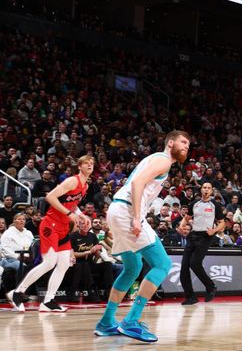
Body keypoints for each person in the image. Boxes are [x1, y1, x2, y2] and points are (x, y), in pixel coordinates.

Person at [94, 130, 190, 342]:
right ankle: (131, 321)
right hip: (128, 212)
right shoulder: (164, 160)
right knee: (162, 264)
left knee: (133, 268)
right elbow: (137, 184)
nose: (186, 146)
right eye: (183, 142)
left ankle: (107, 322)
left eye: (188, 145)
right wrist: (137, 217)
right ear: (171, 142)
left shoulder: (155, 159)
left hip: (117, 210)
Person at [7, 155, 93, 312]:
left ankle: (48, 301)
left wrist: (80, 215)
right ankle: (17, 293)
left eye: (92, 163)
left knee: (65, 263)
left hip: (63, 226)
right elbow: (50, 197)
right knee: (49, 262)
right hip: (50, 224)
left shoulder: (85, 186)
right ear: (79, 166)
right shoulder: (72, 181)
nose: (90, 165)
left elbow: (71, 204)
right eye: (86, 163)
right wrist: (69, 214)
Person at [177, 181, 225, 305]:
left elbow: (222, 223)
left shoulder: (215, 205)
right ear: (201, 190)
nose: (206, 190)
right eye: (204, 187)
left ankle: (210, 286)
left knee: (195, 263)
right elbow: (187, 218)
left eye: (209, 188)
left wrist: (214, 230)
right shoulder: (194, 203)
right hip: (193, 235)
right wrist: (182, 226)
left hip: (206, 236)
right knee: (184, 267)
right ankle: (190, 297)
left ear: (211, 191)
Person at [1, 213, 35, 292]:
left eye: (23, 219)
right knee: (22, 267)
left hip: (27, 258)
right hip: (10, 259)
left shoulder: (28, 233)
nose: (21, 221)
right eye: (19, 219)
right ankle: (19, 292)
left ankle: (32, 292)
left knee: (36, 267)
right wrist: (18, 257)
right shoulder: (8, 233)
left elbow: (32, 246)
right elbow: (5, 250)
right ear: (14, 221)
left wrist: (30, 256)